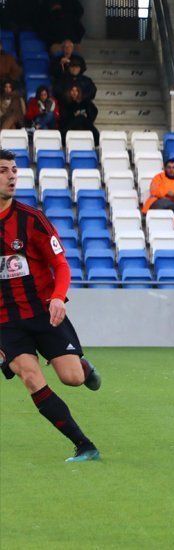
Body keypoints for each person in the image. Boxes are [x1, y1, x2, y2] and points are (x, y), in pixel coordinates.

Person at [0, 148, 102, 463]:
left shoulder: (32, 220)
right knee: (30, 376)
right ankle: (85, 445)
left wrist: (58, 296)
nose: (12, 175)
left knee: (70, 378)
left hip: (44, 313)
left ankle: (83, 368)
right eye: (4, 170)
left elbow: (62, 264)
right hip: (6, 321)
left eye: (14, 170)